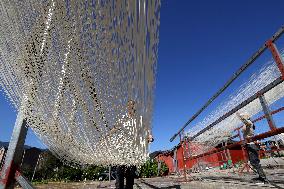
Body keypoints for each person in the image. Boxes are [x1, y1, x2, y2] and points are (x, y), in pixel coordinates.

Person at [114, 100, 154, 189]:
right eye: (129, 105)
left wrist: (150, 136)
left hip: (133, 151)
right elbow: (115, 128)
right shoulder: (122, 118)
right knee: (119, 174)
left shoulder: (139, 119)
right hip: (122, 150)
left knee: (130, 175)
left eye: (132, 105)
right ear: (127, 107)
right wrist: (106, 136)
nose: (131, 107)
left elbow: (146, 129)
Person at [236, 112, 268, 183]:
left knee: (254, 162)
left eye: (243, 117)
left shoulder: (249, 122)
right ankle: (261, 177)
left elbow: (248, 124)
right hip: (249, 144)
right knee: (254, 161)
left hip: (251, 145)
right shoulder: (247, 124)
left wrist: (240, 117)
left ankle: (263, 178)